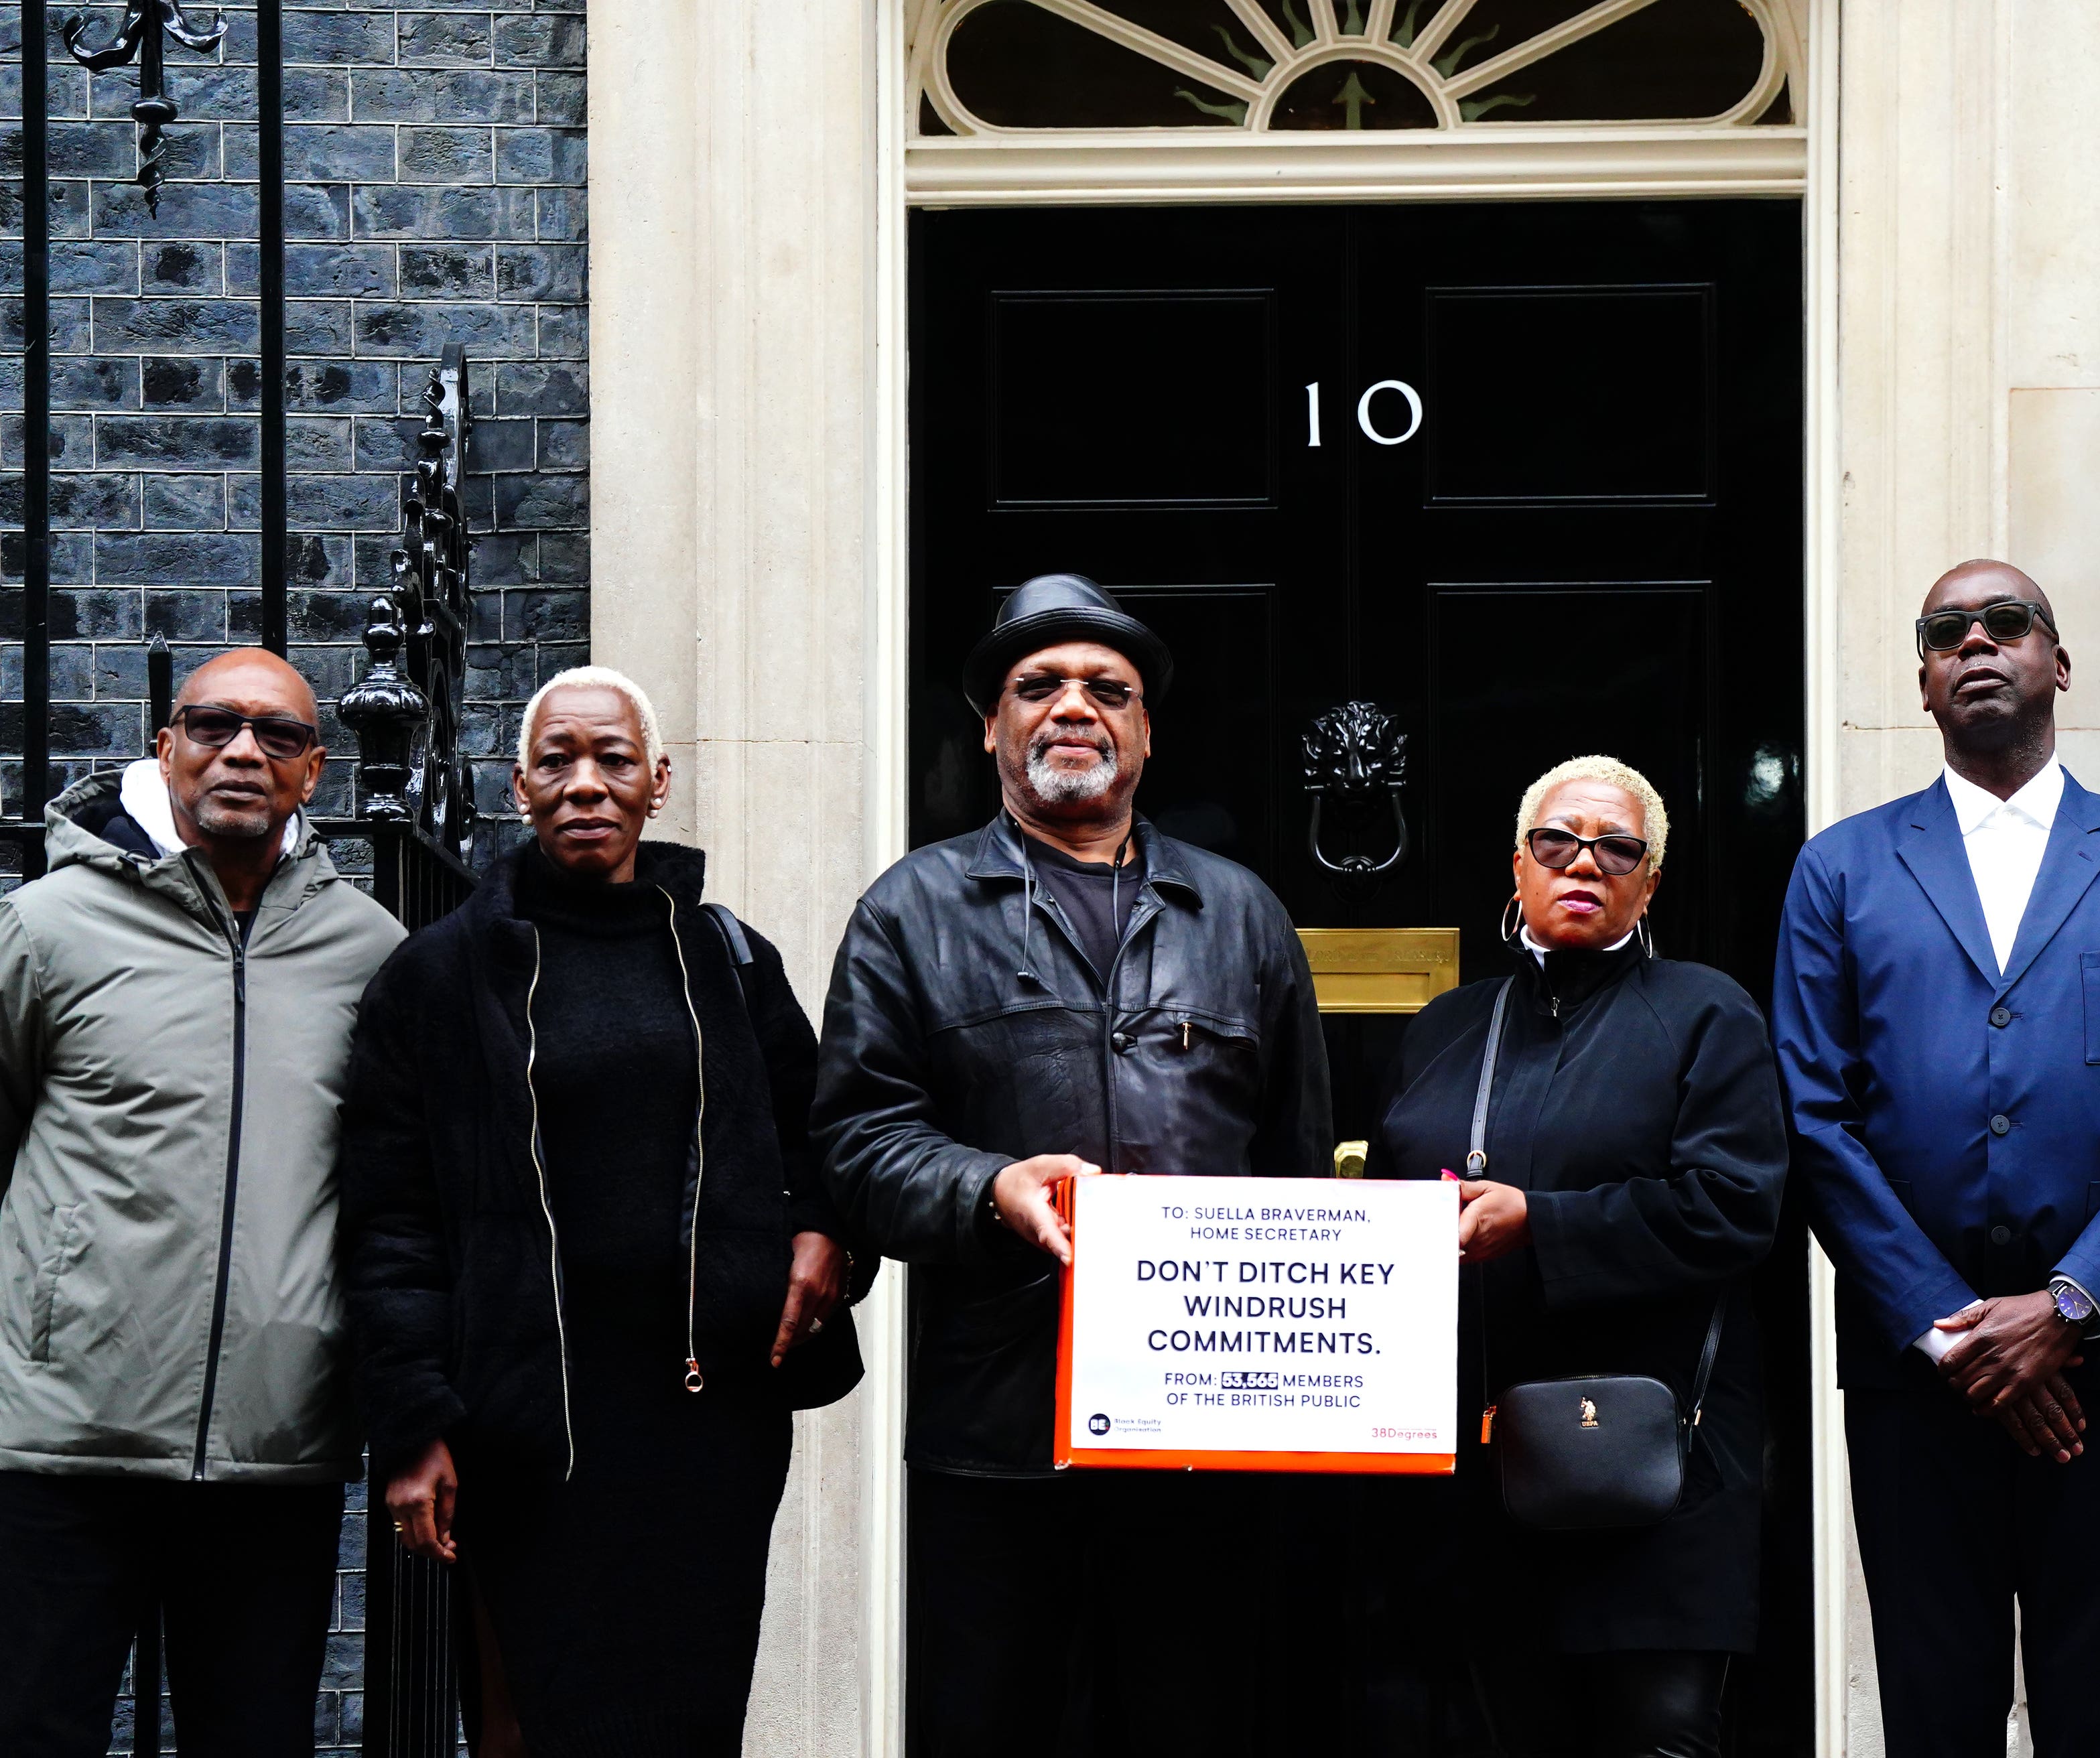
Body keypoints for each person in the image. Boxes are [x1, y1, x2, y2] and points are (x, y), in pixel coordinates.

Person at [812, 573, 1331, 1756]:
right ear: (991, 725)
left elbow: (1297, 1166)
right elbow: (852, 1139)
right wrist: (983, 1186)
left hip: (1205, 1428)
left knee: (1191, 1723)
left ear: (1146, 730)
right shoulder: (911, 910)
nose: (1072, 708)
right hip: (998, 1425)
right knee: (995, 1724)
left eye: (1108, 689)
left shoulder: (1244, 915)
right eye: (1036, 686)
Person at [1772, 559, 2100, 1757]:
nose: (1976, 643)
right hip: (1917, 1388)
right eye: (1947, 632)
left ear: (2059, 661)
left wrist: (2068, 1308)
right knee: (1936, 1718)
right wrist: (1953, 1328)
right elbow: (1817, 1118)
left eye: (2006, 623)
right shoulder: (1840, 869)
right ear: (1925, 683)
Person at [342, 666, 863, 1758]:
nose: (586, 784)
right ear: (519, 785)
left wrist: (826, 1233)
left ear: (657, 781)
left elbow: (821, 1134)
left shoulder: (727, 957)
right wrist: (411, 1421)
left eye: (613, 760)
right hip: (528, 1423)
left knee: (688, 1715)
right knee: (532, 1716)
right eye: (557, 761)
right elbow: (391, 1216)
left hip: (707, 1422)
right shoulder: (438, 978)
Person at [0, 649, 406, 1756]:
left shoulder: (370, 953)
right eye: (214, 725)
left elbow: (397, 1188)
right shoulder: (47, 928)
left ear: (315, 771)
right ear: (165, 748)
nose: (242, 751)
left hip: (277, 1446)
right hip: (65, 1437)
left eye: (276, 736)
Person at [1374, 756, 1786, 1758]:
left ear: (1650, 883)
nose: (1583, 863)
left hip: (1662, 1469)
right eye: (1556, 842)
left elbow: (1735, 1208)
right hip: (1487, 1467)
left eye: (1618, 847)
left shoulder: (1705, 1012)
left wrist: (1541, 1224)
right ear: (1518, 867)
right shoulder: (1448, 1027)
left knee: (1660, 1740)